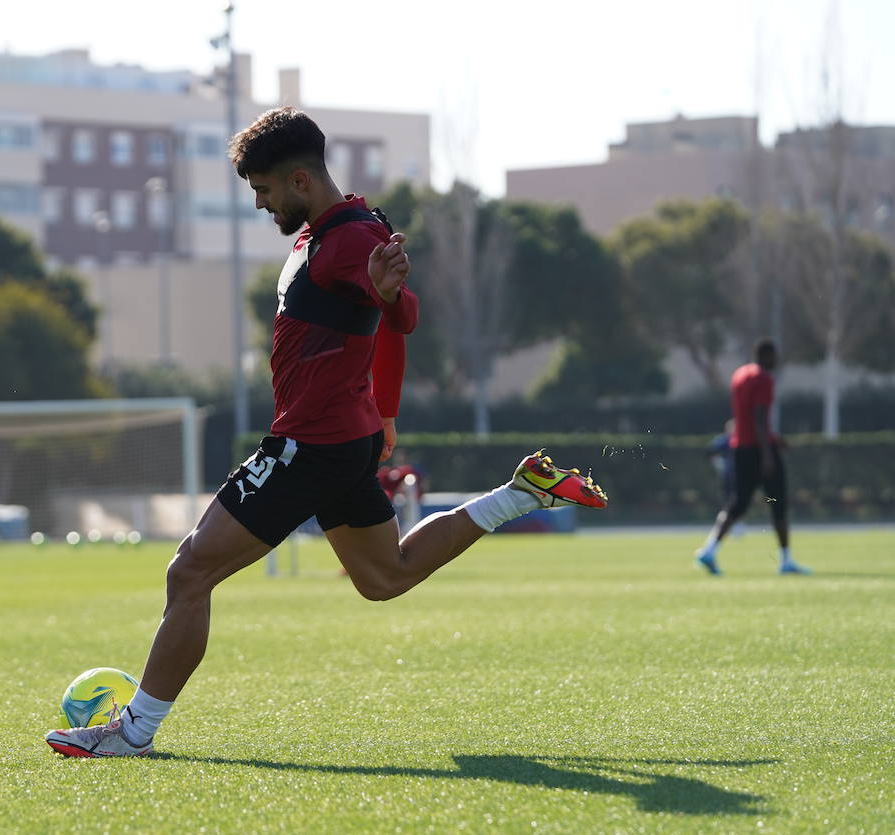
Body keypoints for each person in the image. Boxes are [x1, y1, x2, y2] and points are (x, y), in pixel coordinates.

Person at [45, 107, 608, 758]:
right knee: (384, 577)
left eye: (264, 190)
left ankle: (133, 732)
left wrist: (387, 295)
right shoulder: (341, 228)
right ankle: (521, 492)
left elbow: (402, 312)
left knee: (190, 571)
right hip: (343, 437)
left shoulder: (347, 240)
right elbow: (384, 315)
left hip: (311, 443)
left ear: (302, 181)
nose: (259, 203)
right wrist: (386, 406)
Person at [695, 340, 809, 575]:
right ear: (765, 355)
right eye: (774, 356)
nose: (776, 361)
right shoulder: (763, 378)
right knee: (778, 503)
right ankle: (786, 560)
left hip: (741, 447)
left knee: (738, 503)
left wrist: (773, 437)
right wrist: (768, 452)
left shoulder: (740, 374)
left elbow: (746, 417)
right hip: (759, 449)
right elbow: (759, 416)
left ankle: (709, 550)